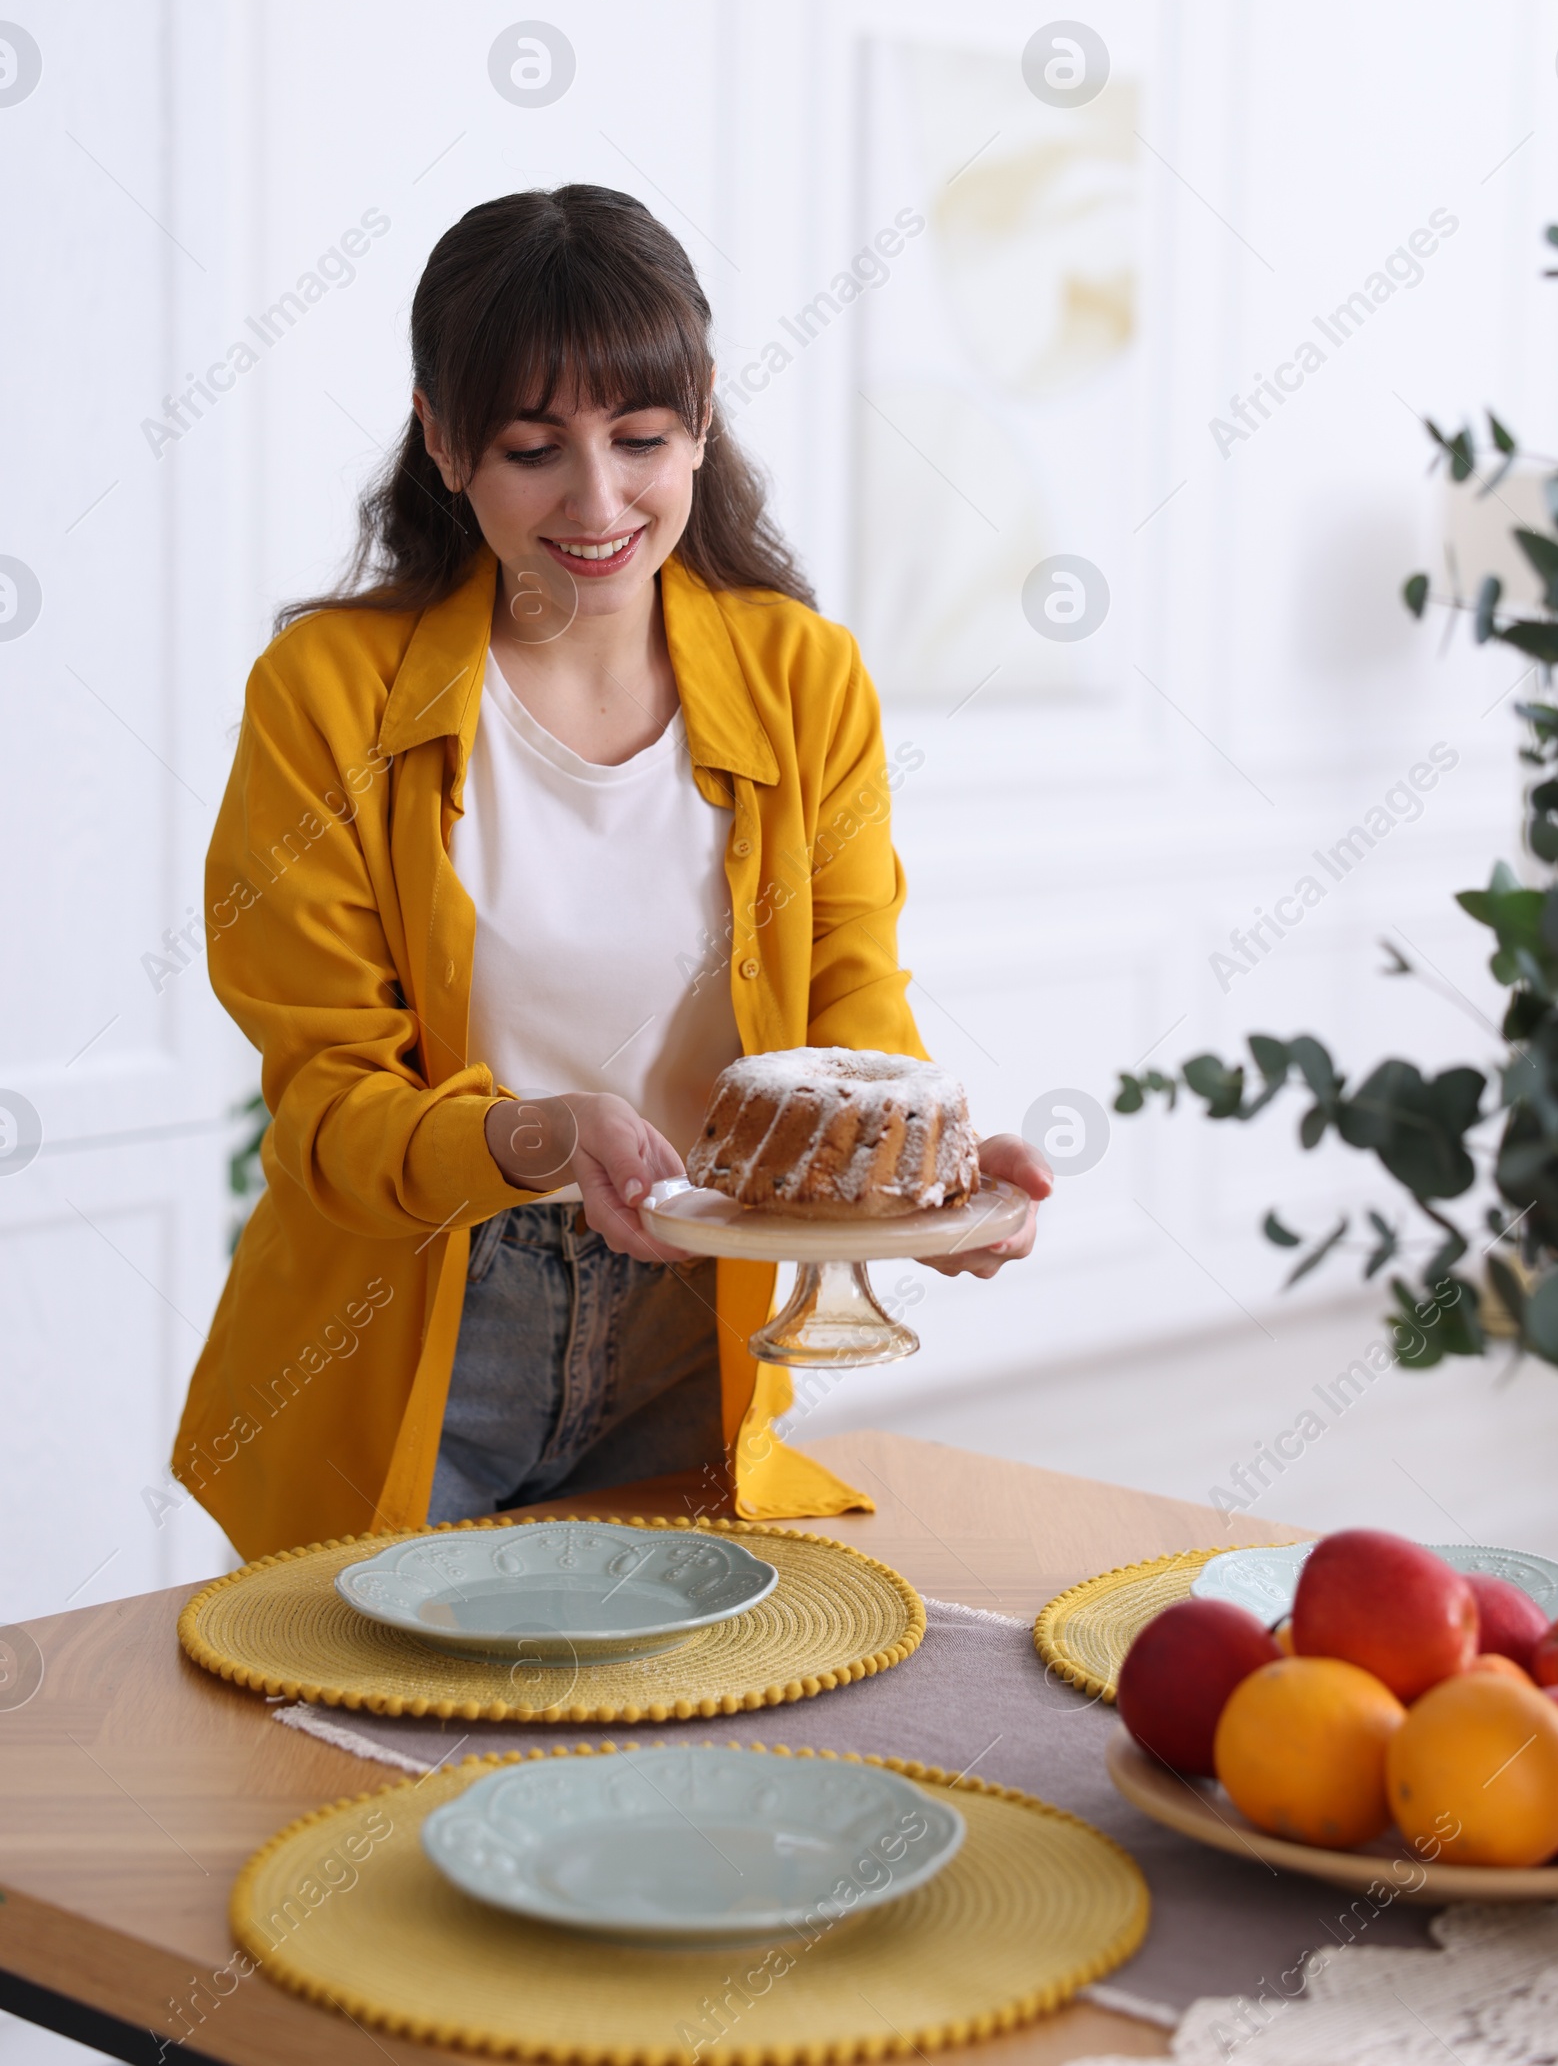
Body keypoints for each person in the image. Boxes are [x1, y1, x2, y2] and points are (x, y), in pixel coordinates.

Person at [173, 185, 1052, 1560]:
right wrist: (535, 1134)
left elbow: (849, 1012)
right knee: (371, 1750)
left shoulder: (802, 679)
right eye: (533, 450)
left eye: (641, 438)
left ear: (701, 416)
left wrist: (929, 1179)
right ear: (445, 441)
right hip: (407, 1340)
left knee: (667, 1737)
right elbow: (327, 1109)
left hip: (689, 1333)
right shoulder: (327, 695)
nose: (597, 503)